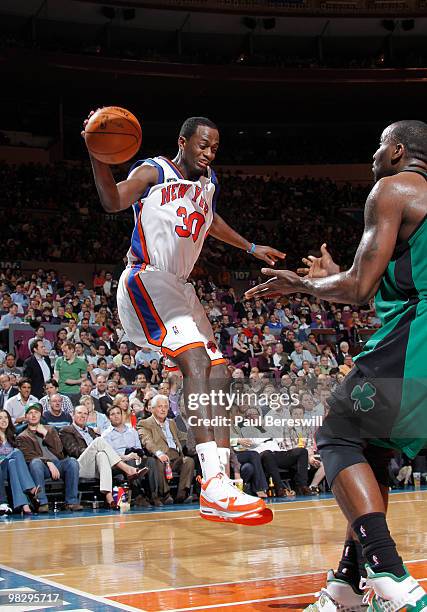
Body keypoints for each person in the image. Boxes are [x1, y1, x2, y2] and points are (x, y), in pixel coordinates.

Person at [246, 120, 427, 610]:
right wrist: (338, 274)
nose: (372, 156)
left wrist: (302, 285)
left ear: (396, 150)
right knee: (370, 449)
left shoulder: (393, 188)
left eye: (377, 146)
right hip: (416, 331)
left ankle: (389, 572)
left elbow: (361, 289)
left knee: (335, 433)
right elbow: (383, 286)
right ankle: (347, 585)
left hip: (418, 338)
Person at [83, 113, 285, 524]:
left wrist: (249, 247)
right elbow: (113, 200)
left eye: (214, 148)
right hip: (146, 277)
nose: (209, 153)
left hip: (180, 287)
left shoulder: (208, 184)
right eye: (202, 145)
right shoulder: (154, 170)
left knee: (220, 372)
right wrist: (98, 154)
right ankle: (211, 485)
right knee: (194, 360)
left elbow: (209, 222)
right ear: (183, 141)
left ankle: (222, 482)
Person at [60, 404, 146, 510]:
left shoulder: (91, 431)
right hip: (79, 466)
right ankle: (128, 469)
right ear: (73, 415)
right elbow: (74, 451)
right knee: (99, 442)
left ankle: (109, 499)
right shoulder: (66, 430)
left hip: (94, 467)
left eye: (85, 414)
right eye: (79, 413)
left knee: (102, 454)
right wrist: (94, 448)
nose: (82, 416)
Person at [16, 403, 82, 512]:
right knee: (35, 463)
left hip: (58, 464)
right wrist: (48, 462)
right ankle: (42, 502)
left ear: (40, 415)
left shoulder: (50, 430)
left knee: (72, 462)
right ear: (26, 416)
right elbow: (29, 456)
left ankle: (71, 502)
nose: (33, 415)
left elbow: (59, 451)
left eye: (36, 413)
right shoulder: (22, 437)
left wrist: (46, 435)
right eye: (30, 413)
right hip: (41, 467)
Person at [138, 395, 195, 504]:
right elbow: (147, 441)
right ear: (152, 408)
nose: (163, 409)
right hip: (160, 456)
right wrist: (159, 453)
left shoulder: (171, 423)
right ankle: (165, 495)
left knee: (188, 461)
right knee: (158, 462)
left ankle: (181, 495)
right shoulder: (145, 423)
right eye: (160, 406)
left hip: (176, 456)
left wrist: (197, 435)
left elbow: (182, 436)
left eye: (166, 406)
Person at [103, 405, 161, 507]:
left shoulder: (132, 431)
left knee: (151, 461)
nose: (116, 416)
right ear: (109, 418)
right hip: (119, 463)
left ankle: (153, 495)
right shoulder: (106, 434)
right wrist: (127, 457)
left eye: (118, 413)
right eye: (113, 414)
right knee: (130, 462)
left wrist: (137, 455)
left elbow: (139, 448)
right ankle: (137, 496)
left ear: (122, 415)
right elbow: (110, 455)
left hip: (135, 458)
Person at [0, 409, 40, 515]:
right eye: (0, 418)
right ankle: (31, 488)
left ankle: (24, 505)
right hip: (1, 470)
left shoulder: (11, 436)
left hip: (11, 469)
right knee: (16, 452)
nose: (4, 420)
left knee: (12, 463)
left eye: (6, 417)